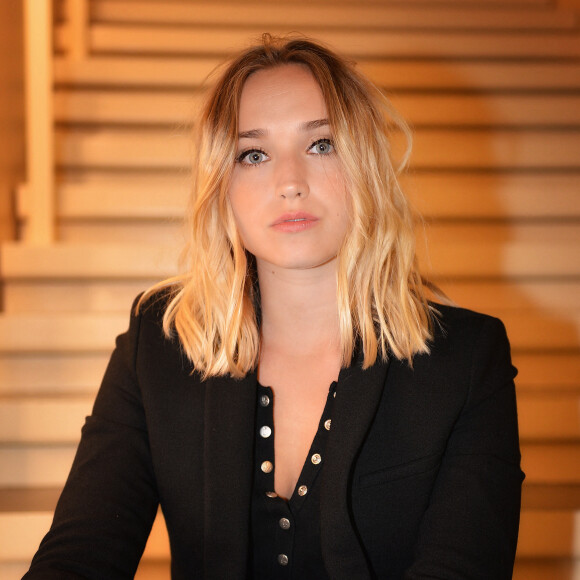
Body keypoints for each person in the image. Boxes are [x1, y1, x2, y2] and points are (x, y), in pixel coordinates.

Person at [23, 34, 524, 579]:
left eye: (321, 145)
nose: (290, 183)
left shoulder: (467, 359)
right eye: (254, 154)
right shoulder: (161, 342)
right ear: (222, 186)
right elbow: (80, 554)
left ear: (366, 167)